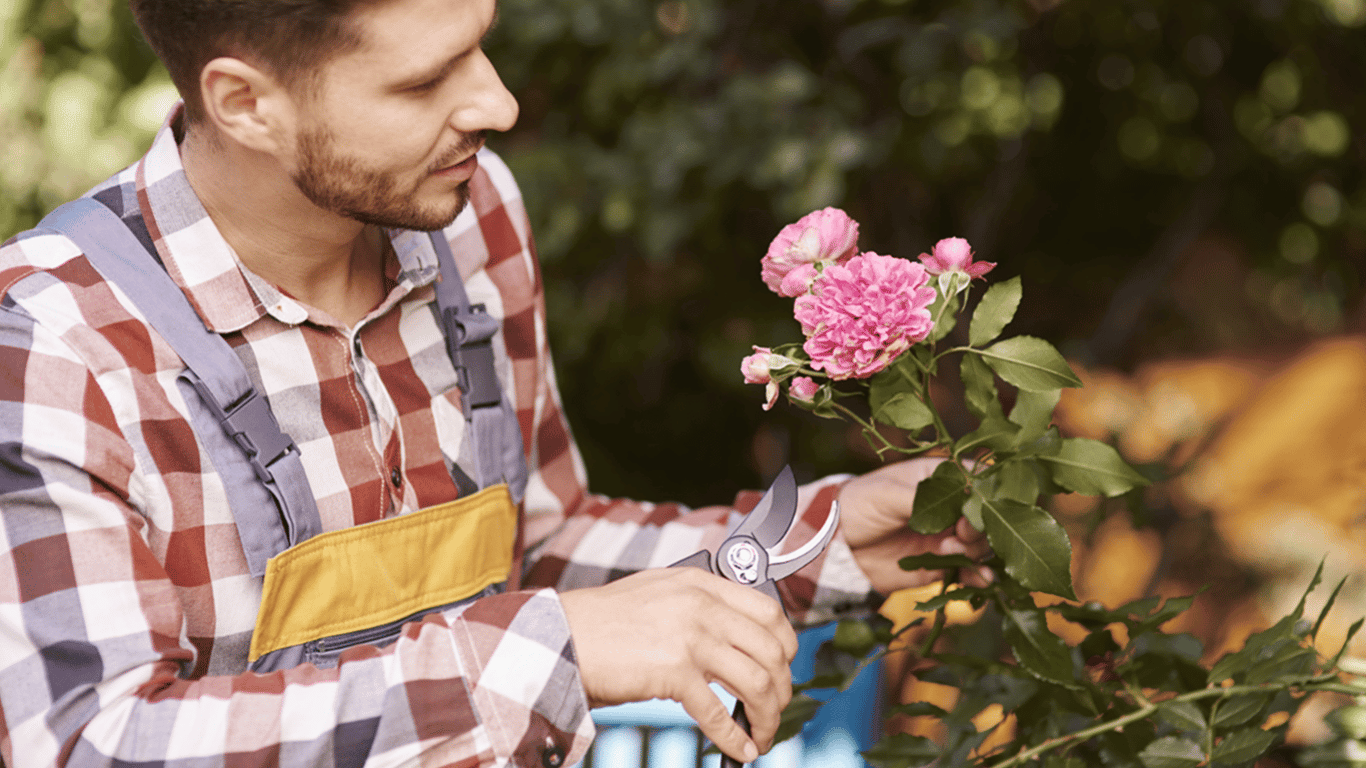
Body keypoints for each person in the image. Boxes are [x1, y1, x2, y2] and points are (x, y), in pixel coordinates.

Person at [0, 0, 987, 766]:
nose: (497, 105)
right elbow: (90, 742)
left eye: (480, 42)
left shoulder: (466, 218)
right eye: (425, 81)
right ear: (246, 103)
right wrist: (545, 654)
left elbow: (538, 544)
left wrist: (812, 547)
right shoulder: (55, 343)